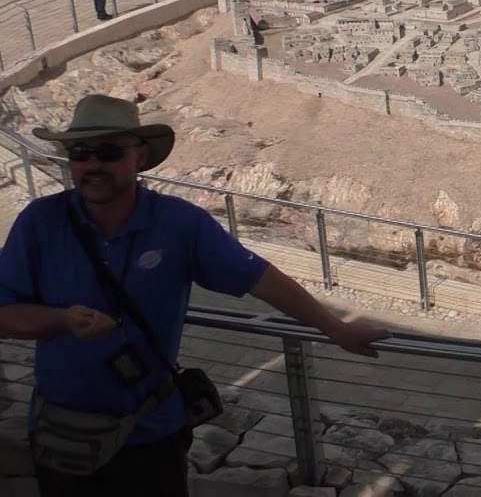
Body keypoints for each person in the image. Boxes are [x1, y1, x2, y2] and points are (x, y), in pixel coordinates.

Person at [0, 94, 391, 497]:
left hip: (150, 433)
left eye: (108, 152)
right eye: (80, 153)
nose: (92, 164)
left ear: (139, 157)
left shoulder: (179, 224)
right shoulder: (40, 223)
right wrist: (62, 321)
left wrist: (335, 329)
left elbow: (260, 278)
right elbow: (4, 313)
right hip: (63, 436)